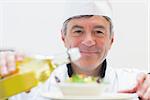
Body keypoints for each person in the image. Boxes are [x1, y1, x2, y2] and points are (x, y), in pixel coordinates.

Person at [0, 1, 150, 100]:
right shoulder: (33, 83)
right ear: (63, 37)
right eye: (78, 31)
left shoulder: (134, 84)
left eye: (99, 32)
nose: (88, 41)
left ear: (111, 40)